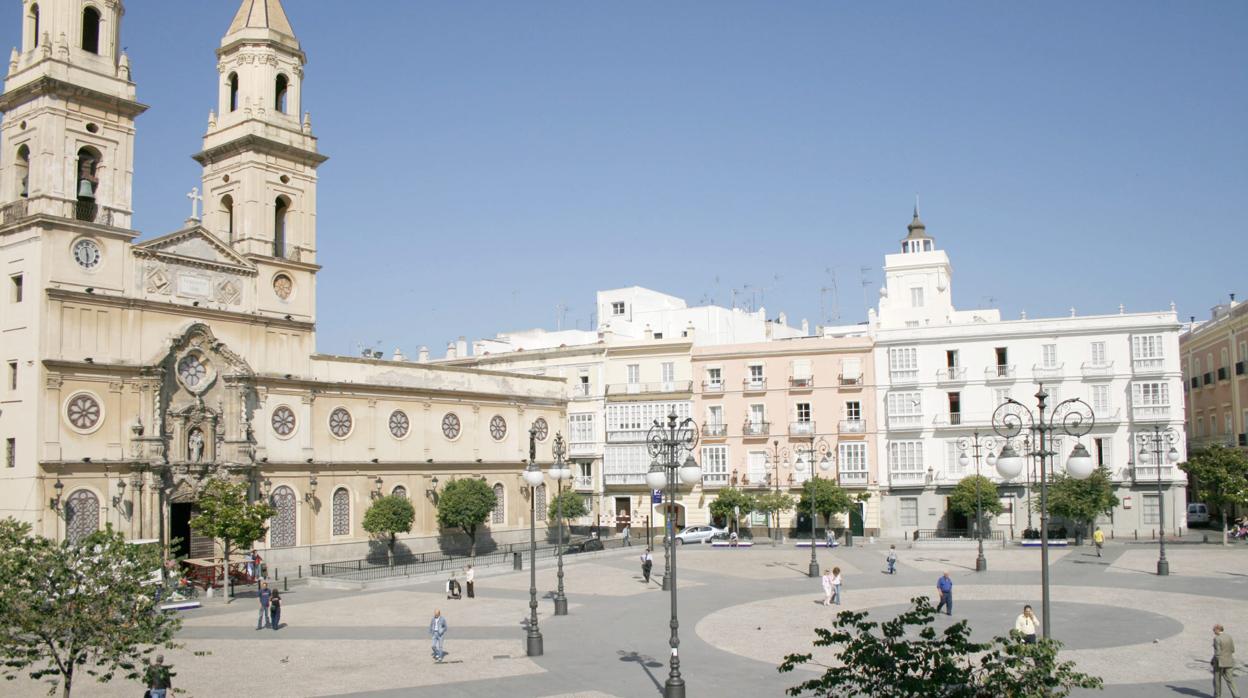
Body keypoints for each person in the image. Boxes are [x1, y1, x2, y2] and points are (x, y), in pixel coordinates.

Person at [1213, 624, 1240, 698]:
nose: (1213, 631)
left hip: (1220, 663)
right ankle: (1236, 695)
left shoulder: (1217, 639)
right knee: (1230, 680)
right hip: (1229, 661)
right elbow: (1232, 649)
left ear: (1218, 630)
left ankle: (1217, 696)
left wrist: (1214, 661)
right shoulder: (1229, 637)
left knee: (1217, 680)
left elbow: (1217, 652)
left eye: (1214, 630)